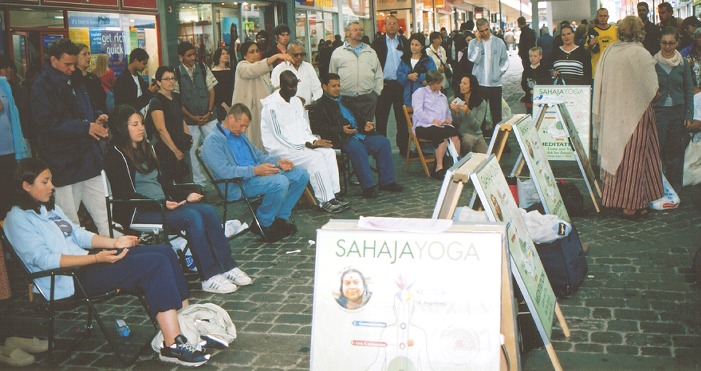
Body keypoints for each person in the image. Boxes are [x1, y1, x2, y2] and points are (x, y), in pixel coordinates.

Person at [5, 158, 209, 366]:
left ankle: (184, 326)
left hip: (85, 265)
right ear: (26, 185)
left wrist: (115, 242)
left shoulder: (48, 208)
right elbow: (44, 260)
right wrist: (95, 257)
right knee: (155, 263)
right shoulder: (18, 219)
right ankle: (172, 344)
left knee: (165, 251)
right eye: (45, 182)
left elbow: (78, 234)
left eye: (50, 181)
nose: (52, 186)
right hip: (67, 280)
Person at [104, 105, 252, 294]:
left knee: (207, 210)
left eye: (141, 123)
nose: (141, 127)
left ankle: (227, 266)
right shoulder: (116, 155)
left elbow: (165, 184)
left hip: (160, 205)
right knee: (192, 217)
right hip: (138, 211)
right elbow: (125, 195)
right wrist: (160, 203)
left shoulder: (145, 148)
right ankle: (209, 275)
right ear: (122, 127)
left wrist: (184, 195)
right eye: (135, 124)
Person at [30, 38, 110, 236]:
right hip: (64, 164)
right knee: (69, 223)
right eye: (67, 64)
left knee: (106, 215)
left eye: (74, 64)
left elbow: (85, 110)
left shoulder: (76, 79)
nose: (72, 68)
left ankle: (116, 255)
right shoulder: (41, 87)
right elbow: (46, 126)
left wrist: (96, 117)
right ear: (53, 60)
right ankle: (78, 264)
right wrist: (85, 127)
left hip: (89, 159)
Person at [201, 104, 308, 243]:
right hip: (237, 184)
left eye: (246, 126)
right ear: (231, 118)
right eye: (242, 125)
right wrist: (255, 171)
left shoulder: (239, 135)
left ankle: (280, 218)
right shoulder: (212, 141)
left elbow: (259, 156)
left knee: (301, 174)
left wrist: (278, 162)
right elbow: (224, 171)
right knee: (279, 182)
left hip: (256, 176)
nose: (244, 130)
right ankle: (264, 223)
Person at [593, 15, 663, 218]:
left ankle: (612, 199)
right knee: (635, 159)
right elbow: (652, 87)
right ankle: (631, 204)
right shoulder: (640, 53)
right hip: (636, 113)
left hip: (612, 112)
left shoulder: (609, 52)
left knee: (616, 154)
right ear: (640, 31)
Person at [260, 71, 349, 213]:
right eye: (290, 87)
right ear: (281, 86)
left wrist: (314, 140)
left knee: (328, 152)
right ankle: (325, 200)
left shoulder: (296, 102)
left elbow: (304, 128)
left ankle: (334, 194)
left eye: (295, 86)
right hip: (282, 149)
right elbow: (280, 136)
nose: (294, 90)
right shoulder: (271, 106)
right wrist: (308, 145)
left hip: (302, 145)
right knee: (316, 158)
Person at [309, 73, 404, 198]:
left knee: (383, 142)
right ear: (324, 87)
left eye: (339, 85)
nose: (337, 88)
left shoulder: (347, 100)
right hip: (341, 137)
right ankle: (368, 187)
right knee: (358, 149)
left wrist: (366, 124)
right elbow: (318, 127)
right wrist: (340, 129)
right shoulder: (318, 106)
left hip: (359, 134)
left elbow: (360, 117)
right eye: (333, 86)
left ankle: (387, 181)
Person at [653, 27, 694, 193]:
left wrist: (689, 114)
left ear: (677, 43)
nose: (667, 46)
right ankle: (658, 185)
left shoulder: (683, 62)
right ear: (660, 43)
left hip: (678, 111)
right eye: (664, 43)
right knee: (659, 148)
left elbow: (688, 89)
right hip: (659, 112)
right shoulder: (653, 62)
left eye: (671, 43)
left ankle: (675, 187)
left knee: (676, 150)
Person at [231, 41, 293, 150]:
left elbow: (270, 88)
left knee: (262, 143)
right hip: (246, 112)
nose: (256, 54)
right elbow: (253, 70)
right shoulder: (241, 66)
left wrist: (285, 87)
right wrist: (277, 56)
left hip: (262, 111)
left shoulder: (263, 69)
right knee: (248, 144)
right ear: (244, 55)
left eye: (257, 51)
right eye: (252, 52)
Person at [173, 41, 218, 186]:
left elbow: (212, 91)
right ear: (181, 57)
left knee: (216, 147)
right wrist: (192, 117)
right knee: (192, 152)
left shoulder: (203, 68)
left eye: (194, 54)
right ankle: (200, 183)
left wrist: (209, 111)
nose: (193, 57)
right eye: (189, 55)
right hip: (189, 121)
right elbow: (177, 101)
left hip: (209, 117)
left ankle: (221, 180)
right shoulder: (176, 74)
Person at [329, 21, 384, 123]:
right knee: (348, 129)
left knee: (366, 129)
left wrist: (375, 94)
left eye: (360, 30)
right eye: (355, 30)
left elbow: (378, 74)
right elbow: (332, 75)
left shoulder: (370, 52)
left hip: (367, 99)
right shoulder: (338, 53)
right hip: (345, 98)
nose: (359, 32)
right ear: (347, 33)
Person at [145, 66, 192, 183]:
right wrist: (175, 150)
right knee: (171, 183)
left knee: (186, 180)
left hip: (180, 144)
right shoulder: (156, 101)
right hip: (166, 149)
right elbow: (161, 129)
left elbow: (181, 120)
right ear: (159, 82)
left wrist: (188, 138)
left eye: (173, 78)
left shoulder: (176, 97)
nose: (171, 81)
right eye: (166, 79)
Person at [412, 70, 461, 180]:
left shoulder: (442, 96)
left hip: (440, 126)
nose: (441, 85)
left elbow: (447, 112)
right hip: (423, 125)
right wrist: (432, 120)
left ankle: (455, 163)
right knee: (441, 134)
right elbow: (418, 112)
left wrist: (449, 119)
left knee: (455, 133)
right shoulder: (420, 93)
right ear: (432, 83)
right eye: (438, 83)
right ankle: (439, 167)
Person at [371, 15, 409, 155]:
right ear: (385, 26)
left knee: (402, 118)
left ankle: (404, 148)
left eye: (394, 23)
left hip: (400, 85)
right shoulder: (377, 42)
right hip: (384, 85)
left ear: (398, 26)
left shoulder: (404, 41)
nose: (392, 26)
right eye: (389, 23)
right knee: (381, 118)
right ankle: (381, 150)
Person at [468, 18, 509, 134]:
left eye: (486, 30)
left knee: (497, 114)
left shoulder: (499, 42)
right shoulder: (473, 43)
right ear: (477, 31)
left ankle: (499, 141)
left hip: (495, 84)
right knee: (480, 115)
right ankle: (481, 141)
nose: (485, 33)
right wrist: (478, 43)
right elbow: (473, 59)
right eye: (481, 31)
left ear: (489, 28)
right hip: (479, 84)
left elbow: (505, 61)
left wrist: (499, 72)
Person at [0, 63, 30, 218]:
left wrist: (19, 145)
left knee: (9, 193)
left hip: (9, 149)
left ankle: (10, 228)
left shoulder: (4, 84)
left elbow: (13, 116)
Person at [271, 40, 322, 106]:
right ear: (288, 53)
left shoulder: (308, 67)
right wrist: (295, 100)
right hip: (286, 109)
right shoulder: (279, 69)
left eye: (302, 54)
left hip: (306, 110)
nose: (299, 57)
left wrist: (314, 101)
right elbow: (275, 92)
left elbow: (317, 88)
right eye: (296, 55)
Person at [450, 75, 490, 155]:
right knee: (468, 140)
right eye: (461, 83)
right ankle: (464, 160)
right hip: (462, 134)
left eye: (464, 83)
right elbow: (455, 124)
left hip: (477, 135)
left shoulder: (481, 102)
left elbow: (477, 126)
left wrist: (468, 112)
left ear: (471, 87)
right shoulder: (453, 100)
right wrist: (456, 113)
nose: (461, 85)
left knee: (487, 157)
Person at [397, 33, 437, 110]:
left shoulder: (428, 60)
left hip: (424, 98)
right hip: (407, 98)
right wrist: (407, 77)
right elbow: (399, 76)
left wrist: (418, 76)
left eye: (417, 45)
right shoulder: (405, 59)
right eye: (412, 44)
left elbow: (433, 76)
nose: (414, 47)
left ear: (422, 46)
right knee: (409, 121)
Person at [113, 48, 158, 113]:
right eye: (144, 63)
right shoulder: (122, 80)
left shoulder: (139, 79)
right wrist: (149, 93)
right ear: (136, 61)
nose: (145, 66)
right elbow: (128, 106)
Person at [73, 44, 107, 115]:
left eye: (89, 54)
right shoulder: (72, 79)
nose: (88, 57)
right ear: (75, 57)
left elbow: (102, 97)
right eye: (84, 54)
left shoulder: (93, 77)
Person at [587, 8, 618, 77]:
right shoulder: (592, 32)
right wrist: (591, 45)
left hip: (613, 69)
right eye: (601, 16)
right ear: (597, 17)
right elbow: (586, 51)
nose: (603, 18)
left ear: (608, 17)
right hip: (598, 69)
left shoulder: (616, 30)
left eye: (605, 16)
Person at [521, 47, 551, 115]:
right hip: (529, 100)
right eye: (530, 56)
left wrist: (540, 91)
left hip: (542, 99)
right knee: (530, 116)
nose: (532, 58)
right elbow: (523, 83)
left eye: (535, 56)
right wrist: (530, 91)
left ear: (540, 57)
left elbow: (549, 82)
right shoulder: (526, 70)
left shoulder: (544, 70)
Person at [211, 47, 234, 122]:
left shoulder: (230, 70)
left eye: (227, 53)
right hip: (220, 106)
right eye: (223, 54)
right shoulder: (213, 72)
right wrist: (225, 106)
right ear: (218, 56)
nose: (226, 55)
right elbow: (216, 91)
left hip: (232, 102)